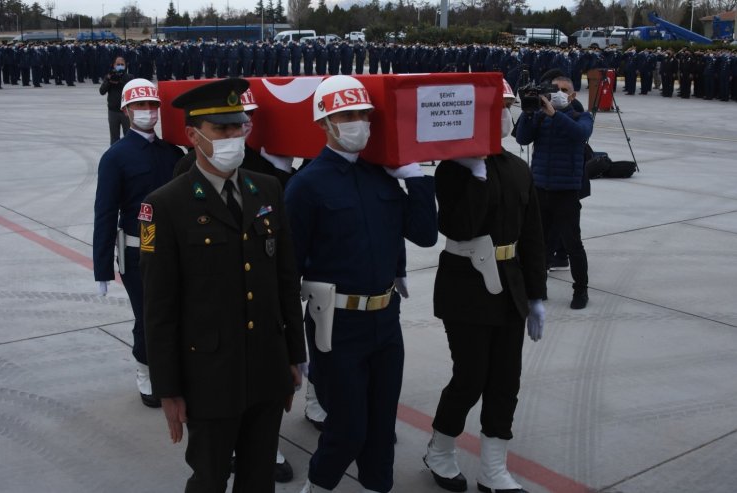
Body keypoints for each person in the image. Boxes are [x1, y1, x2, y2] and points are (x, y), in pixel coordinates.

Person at [140, 78, 306, 493]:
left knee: (259, 477)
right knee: (210, 478)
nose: (235, 137)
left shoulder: (266, 189)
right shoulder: (165, 205)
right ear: (194, 135)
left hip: (267, 368)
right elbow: (159, 308)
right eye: (222, 129)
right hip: (209, 376)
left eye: (239, 127)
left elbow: (286, 281)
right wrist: (169, 389)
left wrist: (292, 358)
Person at [285, 75, 438, 493]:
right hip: (335, 325)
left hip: (386, 320)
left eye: (363, 115)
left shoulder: (382, 176)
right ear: (324, 123)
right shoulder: (306, 186)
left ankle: (376, 486)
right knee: (349, 428)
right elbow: (287, 270)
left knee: (381, 424)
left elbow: (425, 234)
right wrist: (290, 347)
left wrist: (418, 179)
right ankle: (317, 486)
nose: (358, 123)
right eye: (345, 116)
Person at [424, 80, 547, 493]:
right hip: (466, 289)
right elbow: (457, 227)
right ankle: (440, 449)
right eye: (498, 108)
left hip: (509, 287)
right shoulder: (451, 169)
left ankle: (493, 468)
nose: (506, 116)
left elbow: (532, 235)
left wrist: (537, 294)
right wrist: (474, 174)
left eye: (508, 107)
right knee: (471, 376)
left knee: (505, 380)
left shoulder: (518, 168)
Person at [93, 78, 183, 408]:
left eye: (152, 105)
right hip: (137, 252)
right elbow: (104, 212)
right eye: (140, 106)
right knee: (148, 317)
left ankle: (172, 371)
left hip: (175, 250)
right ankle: (145, 370)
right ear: (126, 110)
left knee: (177, 314)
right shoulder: (115, 157)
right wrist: (102, 267)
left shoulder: (173, 152)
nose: (147, 111)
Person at [515, 75, 592, 309]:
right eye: (554, 89)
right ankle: (539, 288)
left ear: (572, 95)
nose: (558, 92)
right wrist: (528, 113)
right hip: (540, 189)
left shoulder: (582, 116)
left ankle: (580, 290)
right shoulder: (539, 117)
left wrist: (555, 114)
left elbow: (580, 135)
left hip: (566, 192)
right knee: (539, 246)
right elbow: (522, 138)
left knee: (572, 244)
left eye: (564, 89)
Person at [99, 56, 134, 145]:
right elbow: (102, 91)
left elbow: (131, 92)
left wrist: (119, 82)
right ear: (114, 65)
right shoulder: (109, 76)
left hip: (126, 111)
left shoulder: (130, 77)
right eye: (118, 64)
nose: (120, 66)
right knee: (114, 137)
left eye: (122, 64)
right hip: (113, 111)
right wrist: (108, 81)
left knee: (129, 136)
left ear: (125, 65)